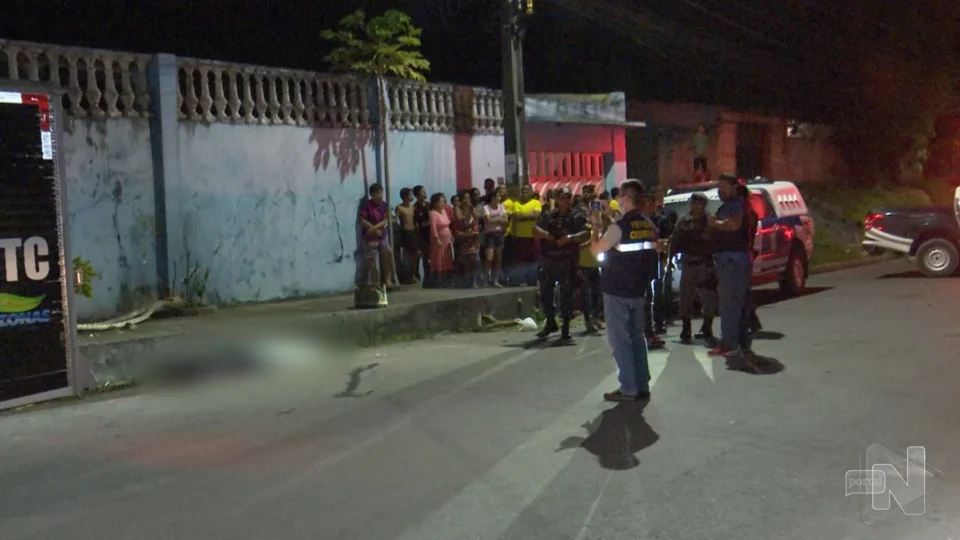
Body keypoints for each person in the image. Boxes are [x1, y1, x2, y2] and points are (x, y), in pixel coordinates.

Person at [589, 179, 660, 402]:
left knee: (620, 341)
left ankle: (628, 388)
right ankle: (642, 384)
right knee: (637, 338)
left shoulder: (618, 228)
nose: (618, 200)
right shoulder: (648, 224)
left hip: (617, 290)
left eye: (620, 196)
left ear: (627, 199)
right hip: (639, 290)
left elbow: (596, 251)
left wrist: (595, 227)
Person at [707, 174, 756, 369]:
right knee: (737, 303)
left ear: (734, 188)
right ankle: (740, 342)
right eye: (719, 187)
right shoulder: (733, 205)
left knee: (729, 304)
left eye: (724, 187)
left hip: (732, 262)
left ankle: (730, 344)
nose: (720, 190)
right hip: (733, 260)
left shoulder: (736, 204)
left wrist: (715, 224)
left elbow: (734, 225)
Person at [533, 186, 589, 340]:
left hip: (568, 260)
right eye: (564, 197)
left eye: (569, 197)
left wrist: (570, 238)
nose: (567, 200)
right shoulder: (550, 216)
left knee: (567, 294)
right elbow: (535, 229)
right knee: (545, 293)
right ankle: (550, 321)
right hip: (550, 259)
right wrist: (547, 235)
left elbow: (586, 233)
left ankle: (565, 326)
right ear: (557, 199)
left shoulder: (577, 216)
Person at [669, 192, 718, 344]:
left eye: (699, 203)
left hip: (705, 263)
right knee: (685, 299)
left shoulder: (710, 220)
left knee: (708, 299)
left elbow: (715, 241)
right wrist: (670, 258)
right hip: (688, 264)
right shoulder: (683, 221)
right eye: (693, 202)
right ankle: (686, 329)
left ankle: (707, 328)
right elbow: (675, 241)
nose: (696, 206)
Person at [357, 183, 397, 289]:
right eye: (377, 193)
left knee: (387, 252)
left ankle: (387, 280)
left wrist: (375, 228)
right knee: (371, 258)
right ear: (372, 195)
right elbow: (362, 220)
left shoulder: (384, 205)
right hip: (370, 237)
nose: (380, 195)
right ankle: (374, 282)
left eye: (381, 193)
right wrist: (372, 229)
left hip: (382, 234)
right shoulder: (366, 205)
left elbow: (387, 219)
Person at [737, 183, 763, 334]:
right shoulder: (748, 213)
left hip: (743, 254)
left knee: (741, 291)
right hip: (745, 254)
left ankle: (749, 320)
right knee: (742, 290)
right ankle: (750, 320)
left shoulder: (747, 214)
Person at [578, 185, 604, 333]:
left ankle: (596, 317)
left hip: (595, 258)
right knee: (586, 292)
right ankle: (588, 319)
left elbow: (601, 228)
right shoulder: (579, 215)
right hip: (583, 259)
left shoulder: (597, 212)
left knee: (597, 291)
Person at [510, 184, 542, 286]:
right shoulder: (516, 203)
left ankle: (533, 280)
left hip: (533, 236)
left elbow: (536, 215)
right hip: (520, 236)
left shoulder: (536, 203)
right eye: (523, 190)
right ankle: (522, 280)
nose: (525, 192)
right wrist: (529, 215)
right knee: (521, 260)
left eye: (527, 190)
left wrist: (523, 216)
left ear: (531, 192)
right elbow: (516, 216)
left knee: (533, 259)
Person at [482, 188, 509, 287]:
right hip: (490, 234)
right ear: (493, 197)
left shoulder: (501, 207)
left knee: (498, 258)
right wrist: (499, 219)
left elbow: (506, 220)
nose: (499, 198)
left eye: (500, 196)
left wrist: (496, 219)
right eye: (498, 196)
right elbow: (489, 220)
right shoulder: (486, 207)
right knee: (489, 258)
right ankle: (485, 280)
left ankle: (495, 280)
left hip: (500, 234)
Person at [453, 200, 482, 288]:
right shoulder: (461, 221)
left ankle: (474, 282)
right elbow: (457, 234)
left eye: (468, 209)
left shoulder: (475, 220)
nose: (466, 211)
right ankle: (467, 281)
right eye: (465, 209)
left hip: (474, 245)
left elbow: (476, 233)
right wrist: (467, 233)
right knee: (467, 265)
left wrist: (464, 234)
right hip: (464, 246)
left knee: (476, 262)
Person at [395, 187, 420, 284]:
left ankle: (413, 274)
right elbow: (396, 219)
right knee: (407, 255)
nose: (412, 197)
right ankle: (407, 276)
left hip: (413, 232)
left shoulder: (412, 207)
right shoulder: (400, 208)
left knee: (415, 255)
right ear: (405, 197)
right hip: (405, 232)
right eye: (410, 195)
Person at [429, 193, 454, 286]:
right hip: (439, 240)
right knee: (439, 259)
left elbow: (447, 224)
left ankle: (446, 279)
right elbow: (433, 228)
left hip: (447, 239)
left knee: (447, 258)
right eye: (440, 201)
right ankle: (438, 280)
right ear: (435, 203)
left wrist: (451, 236)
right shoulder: (433, 213)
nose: (443, 203)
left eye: (443, 201)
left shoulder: (443, 211)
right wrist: (436, 239)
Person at [413, 185, 431, 283]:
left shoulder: (429, 205)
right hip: (422, 235)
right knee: (424, 257)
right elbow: (417, 223)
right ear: (417, 195)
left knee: (431, 257)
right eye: (422, 191)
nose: (425, 193)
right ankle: (425, 278)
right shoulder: (415, 207)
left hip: (431, 234)